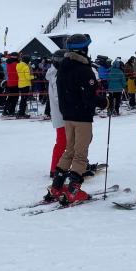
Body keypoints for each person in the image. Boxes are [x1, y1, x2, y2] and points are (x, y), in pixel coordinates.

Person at [45, 34, 107, 205]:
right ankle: (73, 190)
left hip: (68, 116)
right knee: (80, 154)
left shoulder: (63, 67)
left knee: (69, 150)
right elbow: (89, 97)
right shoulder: (84, 70)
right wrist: (104, 102)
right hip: (81, 117)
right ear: (84, 49)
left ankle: (56, 186)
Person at [46, 49, 67, 177]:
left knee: (68, 142)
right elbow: (59, 98)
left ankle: (60, 167)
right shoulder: (57, 76)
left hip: (61, 114)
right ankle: (55, 169)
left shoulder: (56, 73)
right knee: (63, 142)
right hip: (62, 115)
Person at [15, 54, 32, 118]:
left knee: (23, 99)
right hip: (25, 84)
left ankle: (21, 112)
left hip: (20, 83)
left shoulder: (18, 65)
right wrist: (33, 77)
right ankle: (21, 113)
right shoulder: (26, 67)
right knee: (24, 100)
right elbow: (28, 77)